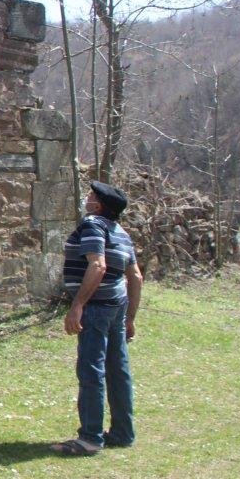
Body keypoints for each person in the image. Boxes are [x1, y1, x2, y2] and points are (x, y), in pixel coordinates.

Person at [52, 180, 144, 456]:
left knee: (92, 369)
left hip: (96, 307)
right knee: (118, 370)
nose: (87, 199)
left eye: (91, 196)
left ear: (99, 205)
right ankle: (122, 433)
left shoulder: (93, 225)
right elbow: (136, 277)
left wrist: (78, 304)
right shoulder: (122, 233)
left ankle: (90, 438)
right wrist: (130, 318)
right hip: (117, 307)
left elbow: (98, 264)